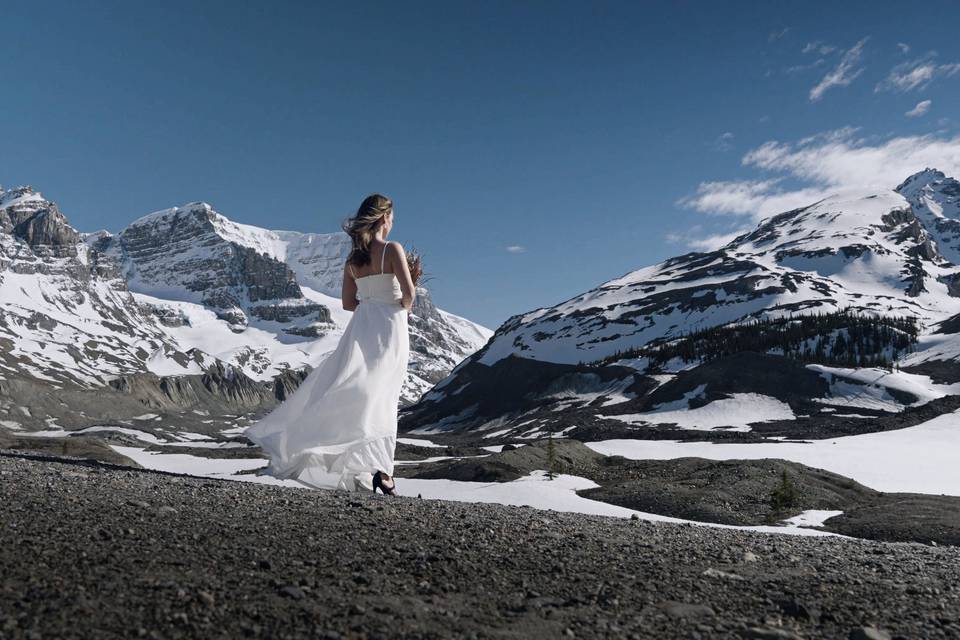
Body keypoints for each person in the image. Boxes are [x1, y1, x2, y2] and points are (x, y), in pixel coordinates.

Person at [245, 194, 415, 494]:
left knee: (356, 389)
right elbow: (410, 295)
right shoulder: (392, 249)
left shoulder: (353, 261)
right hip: (391, 329)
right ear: (384, 218)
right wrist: (397, 302)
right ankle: (382, 472)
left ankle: (363, 466)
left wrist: (371, 299)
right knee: (383, 396)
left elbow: (348, 303)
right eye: (393, 217)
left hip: (362, 328)